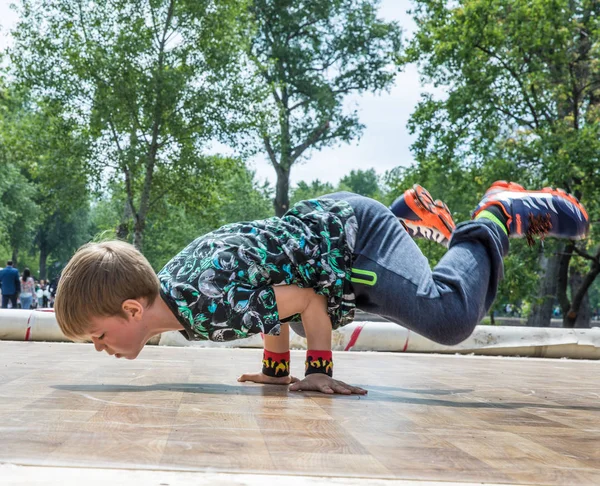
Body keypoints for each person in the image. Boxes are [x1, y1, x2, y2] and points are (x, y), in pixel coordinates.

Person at [54, 181, 589, 395]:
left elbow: (305, 302)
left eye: (98, 336)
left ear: (129, 309)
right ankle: (407, 215)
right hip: (324, 238)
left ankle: (497, 215)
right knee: (381, 301)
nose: (101, 348)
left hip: (351, 240)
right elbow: (269, 305)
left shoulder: (203, 297)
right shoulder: (178, 296)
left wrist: (317, 373)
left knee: (448, 317)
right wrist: (274, 372)